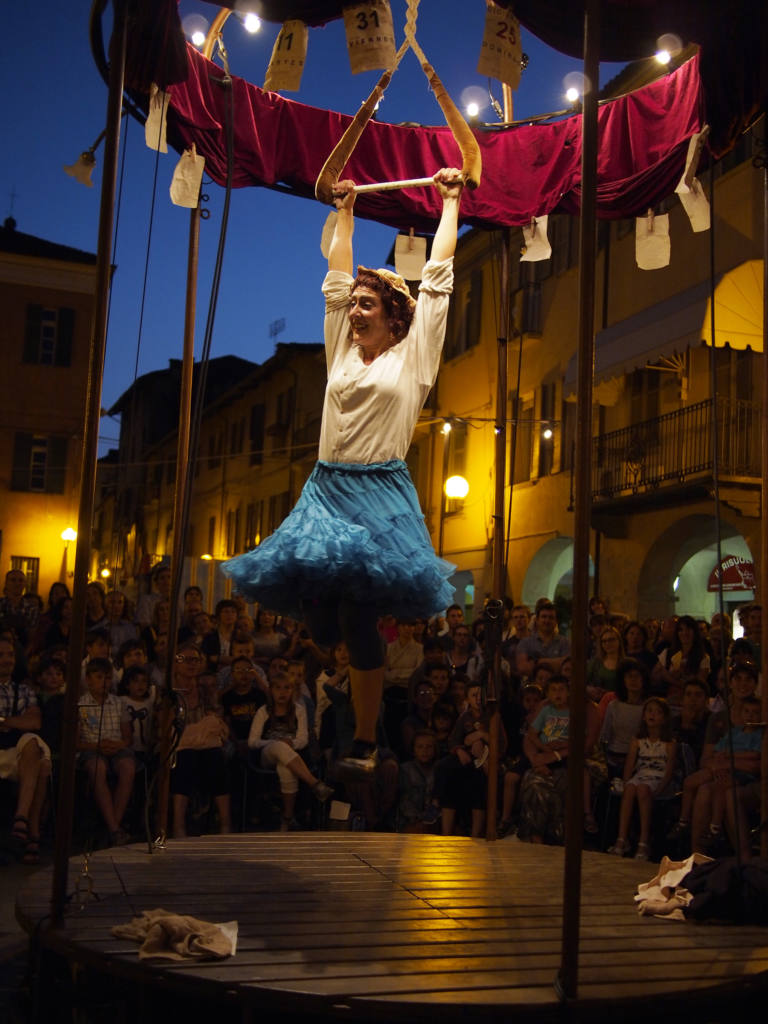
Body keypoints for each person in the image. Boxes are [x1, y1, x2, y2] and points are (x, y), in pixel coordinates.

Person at [223, 167, 465, 778]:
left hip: (379, 488)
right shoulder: (340, 347)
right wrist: (347, 213)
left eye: (366, 304)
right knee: (323, 621)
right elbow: (334, 274)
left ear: (393, 315)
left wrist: (451, 203)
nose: (354, 310)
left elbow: (437, 282)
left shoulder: (416, 357)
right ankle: (332, 682)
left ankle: (363, 739)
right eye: (352, 304)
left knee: (358, 621)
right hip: (327, 488)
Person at [247, 671, 332, 830]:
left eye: (287, 688)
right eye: (278, 688)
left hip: (291, 758)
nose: (282, 692)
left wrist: (290, 743)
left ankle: (286, 819)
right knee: (280, 747)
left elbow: (302, 739)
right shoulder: (264, 711)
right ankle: (314, 783)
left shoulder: (299, 710)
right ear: (271, 690)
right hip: (267, 755)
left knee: (285, 767)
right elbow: (252, 742)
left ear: (293, 691)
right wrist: (277, 742)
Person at [609, 697, 676, 860]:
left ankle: (644, 841)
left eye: (658, 712)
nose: (653, 715)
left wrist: (660, 789)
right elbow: (630, 764)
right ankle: (622, 838)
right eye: (649, 711)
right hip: (641, 774)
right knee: (632, 788)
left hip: (657, 778)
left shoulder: (669, 743)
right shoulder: (637, 740)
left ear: (665, 718)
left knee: (643, 789)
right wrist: (626, 782)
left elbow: (669, 770)